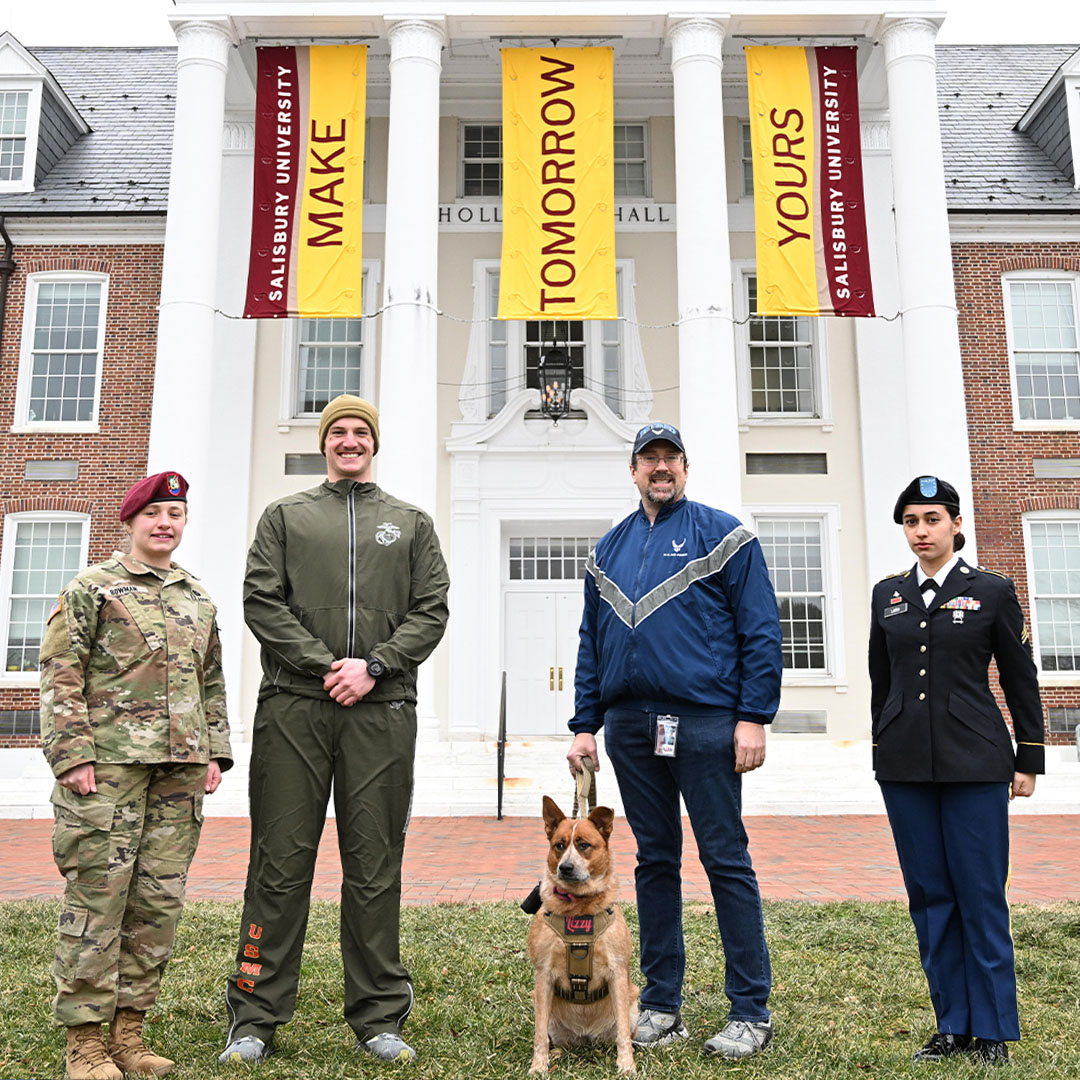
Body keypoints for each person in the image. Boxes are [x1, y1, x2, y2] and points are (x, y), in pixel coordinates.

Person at [220, 395, 449, 1066]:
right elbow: (262, 600)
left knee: (374, 869)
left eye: (360, 433)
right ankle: (254, 1018)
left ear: (373, 444)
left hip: (381, 713)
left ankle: (378, 1017)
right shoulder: (286, 517)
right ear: (325, 444)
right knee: (279, 867)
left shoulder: (410, 523)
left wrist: (374, 667)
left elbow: (430, 611)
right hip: (295, 709)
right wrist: (328, 667)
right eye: (339, 432)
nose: (349, 442)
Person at [566, 422, 783, 1060]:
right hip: (633, 727)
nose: (661, 468)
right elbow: (590, 642)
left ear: (685, 468)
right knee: (654, 861)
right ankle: (661, 1002)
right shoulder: (608, 548)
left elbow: (760, 629)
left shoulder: (725, 534)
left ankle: (750, 1010)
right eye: (649, 459)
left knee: (725, 860)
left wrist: (753, 715)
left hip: (708, 722)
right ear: (633, 471)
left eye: (671, 458)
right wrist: (585, 724)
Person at [39, 471, 232, 1080]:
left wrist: (214, 753)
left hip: (178, 772)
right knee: (99, 898)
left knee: (156, 903)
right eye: (153, 514)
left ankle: (129, 1035)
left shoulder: (197, 597)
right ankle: (86, 1044)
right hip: (109, 768)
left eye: (174, 514)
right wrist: (72, 755)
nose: (164, 524)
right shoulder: (92, 588)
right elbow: (60, 670)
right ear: (131, 521)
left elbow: (211, 680)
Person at [869, 476, 1045, 1066]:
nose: (921, 531)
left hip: (977, 764)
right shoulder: (887, 595)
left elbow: (1020, 678)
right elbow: (882, 683)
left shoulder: (991, 591)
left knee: (980, 894)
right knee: (930, 895)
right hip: (905, 767)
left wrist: (1030, 756)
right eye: (912, 522)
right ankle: (952, 1023)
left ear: (956, 524)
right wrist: (882, 745)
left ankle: (992, 1026)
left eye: (932, 520)